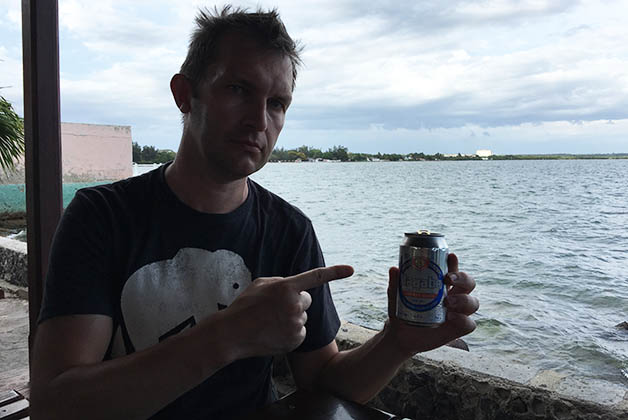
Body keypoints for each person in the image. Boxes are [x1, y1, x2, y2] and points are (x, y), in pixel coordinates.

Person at [30, 6, 479, 420]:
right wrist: (227, 335)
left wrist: (397, 342)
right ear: (185, 94)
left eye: (277, 103)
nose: (259, 121)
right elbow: (56, 404)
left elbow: (322, 381)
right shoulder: (101, 217)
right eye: (239, 90)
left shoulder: (289, 230)